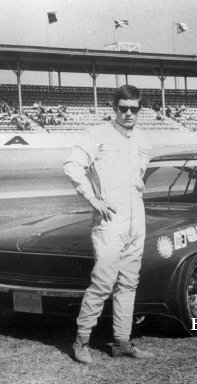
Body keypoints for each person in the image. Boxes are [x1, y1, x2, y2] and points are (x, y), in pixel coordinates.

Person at [63, 84, 154, 364]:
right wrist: (94, 200)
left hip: (135, 217)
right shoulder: (97, 134)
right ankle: (81, 341)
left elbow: (138, 179)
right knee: (102, 283)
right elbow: (72, 166)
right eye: (123, 108)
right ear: (114, 108)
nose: (129, 113)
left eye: (134, 108)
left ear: (140, 109)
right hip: (109, 219)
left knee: (129, 282)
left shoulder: (143, 139)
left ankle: (122, 342)